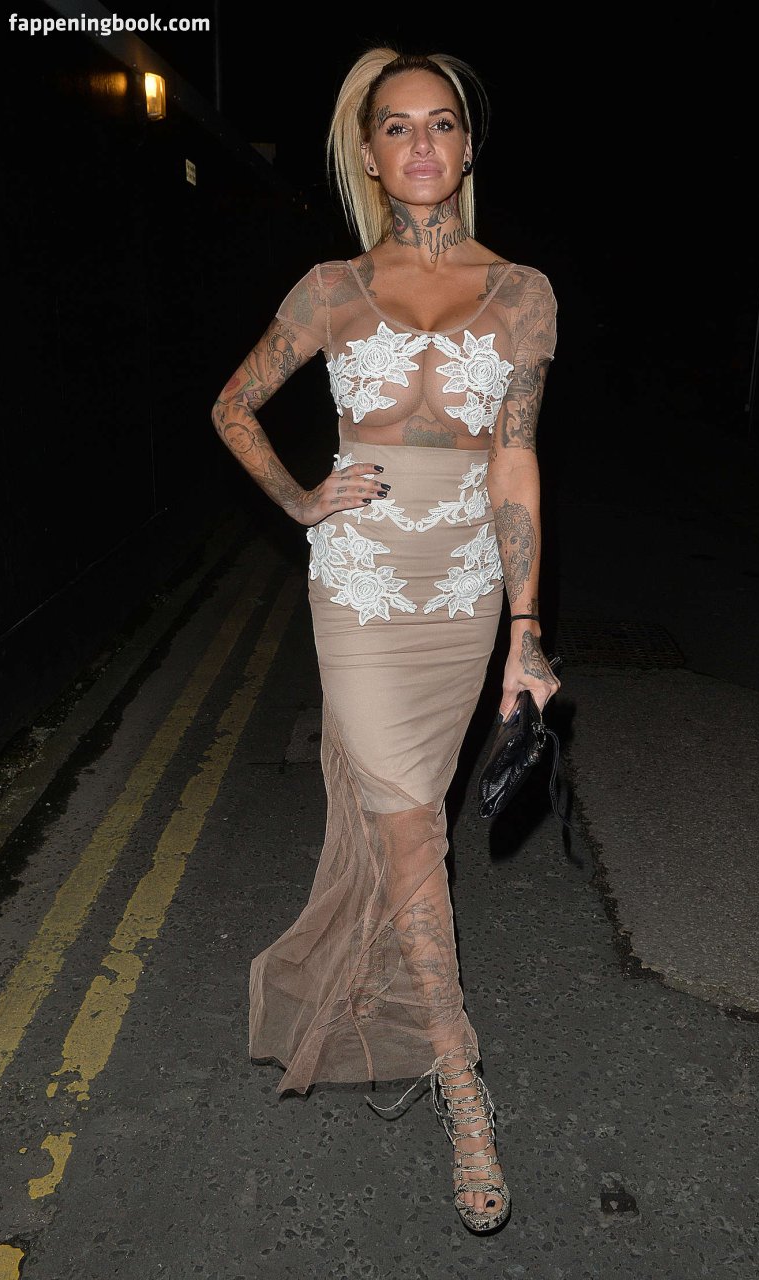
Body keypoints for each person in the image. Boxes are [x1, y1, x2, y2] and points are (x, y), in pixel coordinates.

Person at [211, 44, 560, 1235]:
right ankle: (462, 1084)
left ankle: (429, 1035)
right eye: (396, 125)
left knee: (417, 812)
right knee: (411, 821)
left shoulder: (520, 290)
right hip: (358, 586)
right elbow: (231, 405)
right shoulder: (329, 286)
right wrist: (303, 500)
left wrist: (523, 629)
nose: (420, 142)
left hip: (462, 589)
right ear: (367, 153)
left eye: (440, 122)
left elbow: (514, 457)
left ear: (465, 144)